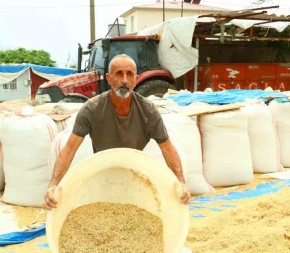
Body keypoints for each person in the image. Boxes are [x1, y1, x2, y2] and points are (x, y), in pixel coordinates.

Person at [44, 54, 190, 209]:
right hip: (103, 175)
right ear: (108, 78)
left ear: (136, 79)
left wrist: (181, 182)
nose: (125, 80)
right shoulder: (92, 109)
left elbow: (168, 150)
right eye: (119, 73)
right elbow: (69, 150)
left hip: (135, 176)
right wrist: (53, 185)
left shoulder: (148, 111)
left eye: (130, 74)